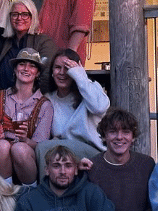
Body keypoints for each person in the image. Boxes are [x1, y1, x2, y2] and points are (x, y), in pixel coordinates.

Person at [36, 48, 110, 181]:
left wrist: (80, 76)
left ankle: (44, 193)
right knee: (41, 149)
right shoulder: (49, 99)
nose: (62, 73)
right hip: (64, 152)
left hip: (92, 151)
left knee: (43, 148)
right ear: (52, 72)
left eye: (67, 68)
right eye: (58, 68)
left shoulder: (90, 89)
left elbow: (99, 108)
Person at [0, 48, 53, 184]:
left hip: (26, 159)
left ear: (37, 73)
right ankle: (5, 193)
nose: (26, 69)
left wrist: (25, 140)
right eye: (22, 64)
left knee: (20, 149)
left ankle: (30, 193)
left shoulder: (45, 105)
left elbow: (41, 146)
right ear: (15, 69)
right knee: (2, 146)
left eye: (32, 66)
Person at [0, 0, 58, 92]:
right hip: (3, 99)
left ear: (32, 17)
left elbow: (47, 76)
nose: (19, 18)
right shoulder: (4, 42)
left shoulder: (44, 42)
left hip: (33, 101)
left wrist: (34, 100)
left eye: (25, 14)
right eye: (15, 14)